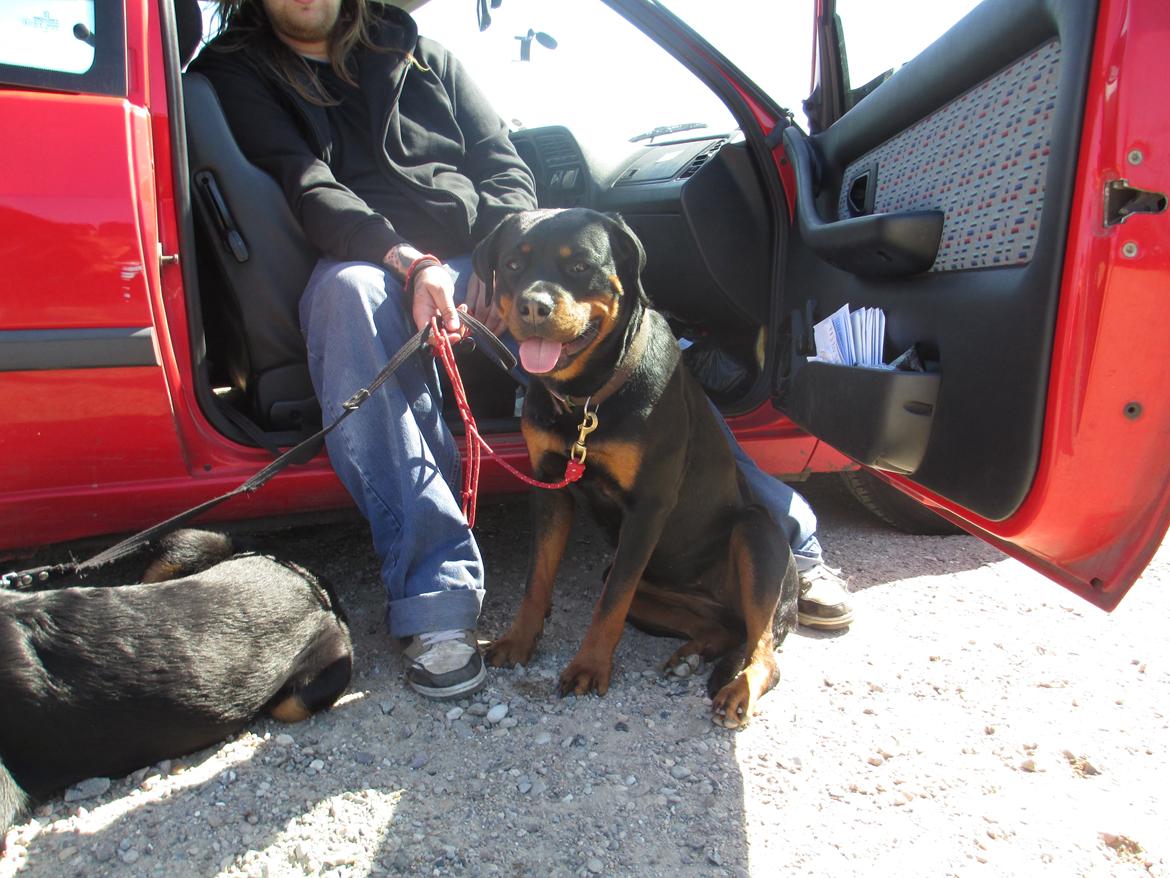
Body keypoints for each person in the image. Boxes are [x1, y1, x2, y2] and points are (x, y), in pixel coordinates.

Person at [194, 0, 851, 702]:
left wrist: (498, 264)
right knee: (348, 293)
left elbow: (504, 170)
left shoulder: (424, 55)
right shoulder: (243, 71)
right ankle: (436, 603)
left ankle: (787, 538)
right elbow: (308, 187)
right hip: (375, 264)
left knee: (640, 352)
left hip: (485, 269)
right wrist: (411, 263)